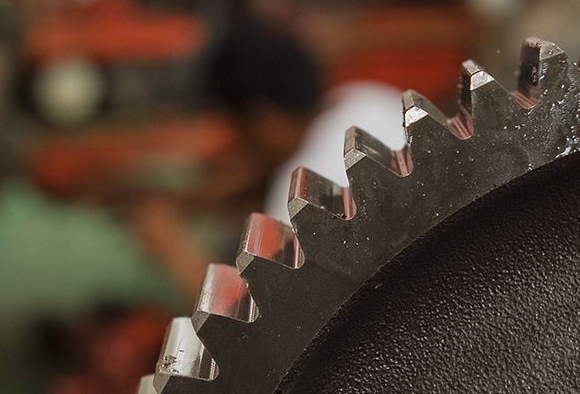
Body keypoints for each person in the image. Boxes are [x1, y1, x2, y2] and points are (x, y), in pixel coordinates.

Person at [129, 21, 403, 297]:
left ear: (262, 117)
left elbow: (281, 313)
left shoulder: (298, 199)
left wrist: (170, 246)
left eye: (241, 130)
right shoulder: (367, 98)